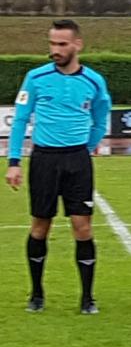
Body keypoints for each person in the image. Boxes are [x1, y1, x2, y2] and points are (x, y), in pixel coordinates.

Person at [5, 19, 111, 314]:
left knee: (83, 227)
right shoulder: (36, 78)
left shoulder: (93, 81)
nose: (55, 50)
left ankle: (87, 298)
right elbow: (21, 120)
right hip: (44, 160)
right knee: (40, 226)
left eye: (62, 44)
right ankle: (37, 294)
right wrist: (14, 162)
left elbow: (101, 117)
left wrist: (87, 149)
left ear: (77, 45)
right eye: (52, 44)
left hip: (77, 161)